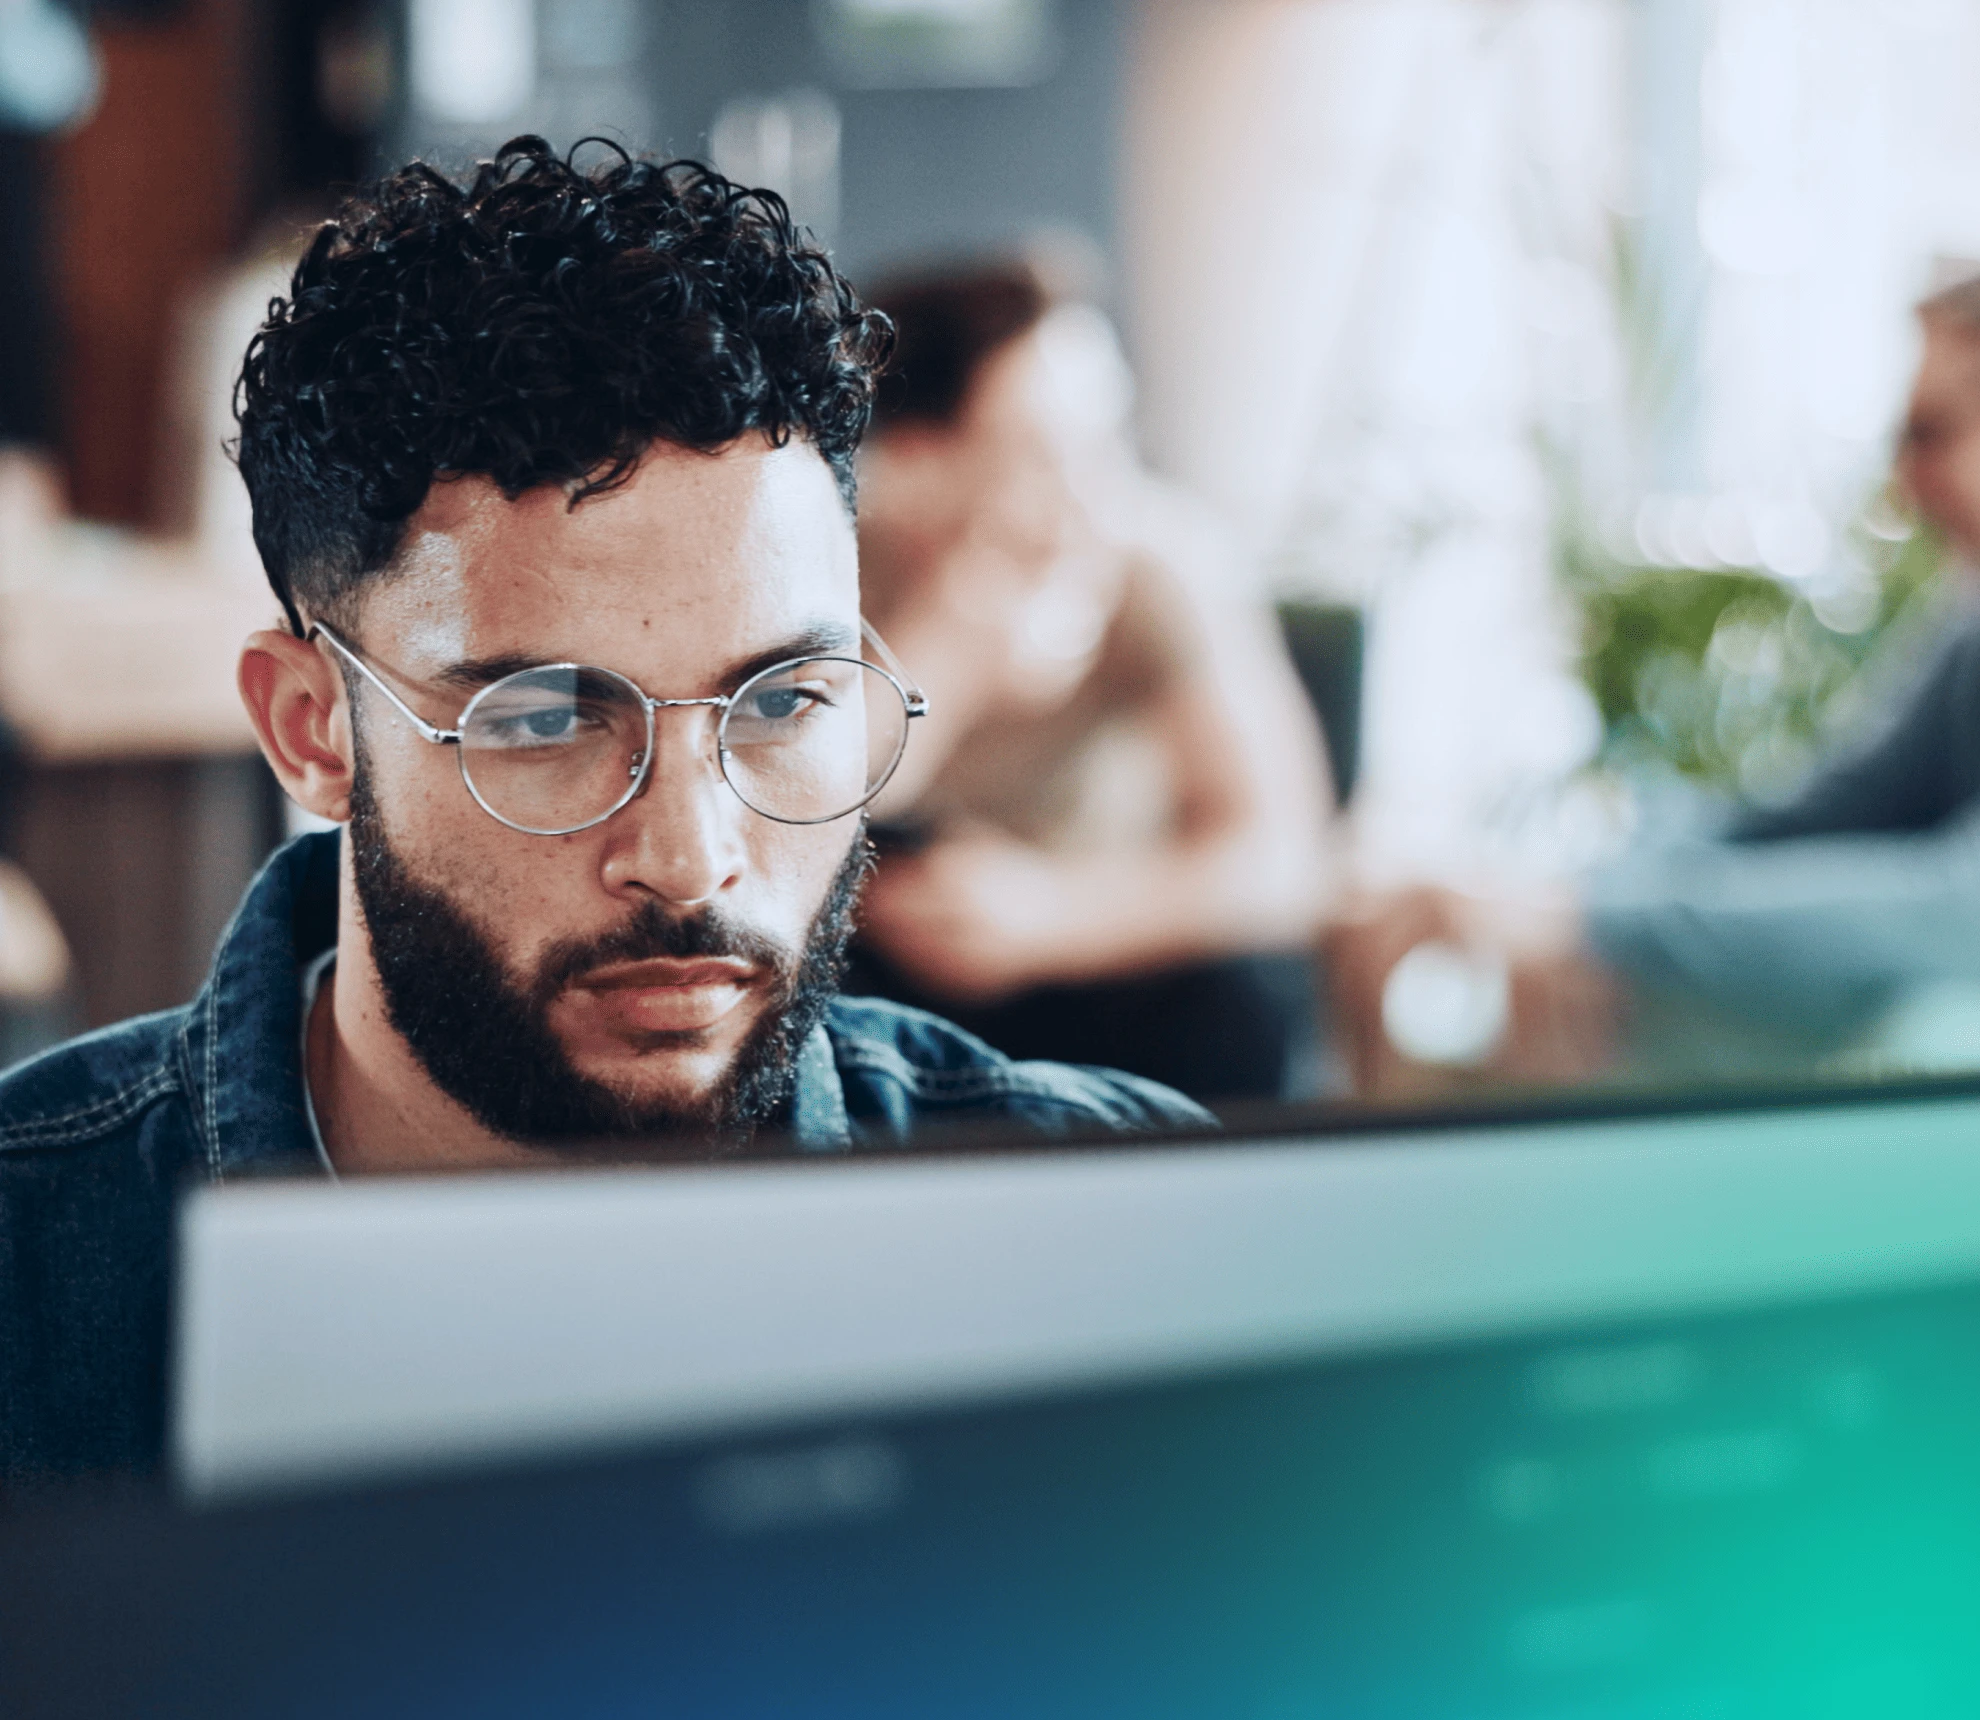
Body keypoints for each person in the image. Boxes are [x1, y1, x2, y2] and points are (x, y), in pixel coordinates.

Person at [0, 140, 1207, 1481]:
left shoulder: (1123, 1231)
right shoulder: (31, 1270)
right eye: (548, 721)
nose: (692, 862)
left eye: (783, 703)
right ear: (312, 730)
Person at [1328, 269, 1980, 1092]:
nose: (1901, 485)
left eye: (1930, 434)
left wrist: (1593, 926)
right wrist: (1551, 897)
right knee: (1558, 1010)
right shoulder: (1969, 625)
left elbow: (1958, 913)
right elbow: (1799, 815)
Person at [847, 262, 1335, 1104]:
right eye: (1043, 455)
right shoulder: (827, 563)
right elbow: (785, 811)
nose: (1092, 495)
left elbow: (1285, 858)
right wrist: (957, 643)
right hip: (879, 959)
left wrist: (1049, 919)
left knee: (1235, 1007)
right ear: (918, 459)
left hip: (1099, 951)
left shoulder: (1157, 564)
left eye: (1107, 442)